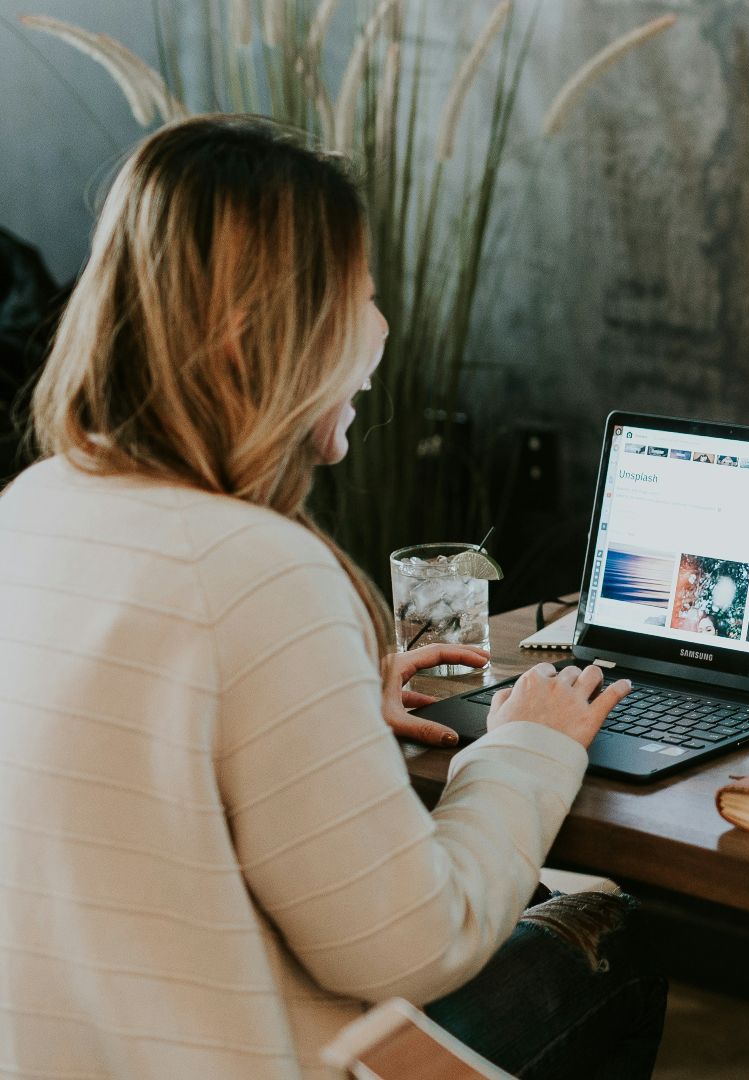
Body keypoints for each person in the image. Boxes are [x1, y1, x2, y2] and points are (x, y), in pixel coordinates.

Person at [0, 116, 663, 1079]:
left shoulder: (37, 502)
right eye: (359, 297)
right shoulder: (257, 568)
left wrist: (331, 703)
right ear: (254, 334)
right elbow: (413, 945)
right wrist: (530, 749)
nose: (382, 330)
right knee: (611, 933)